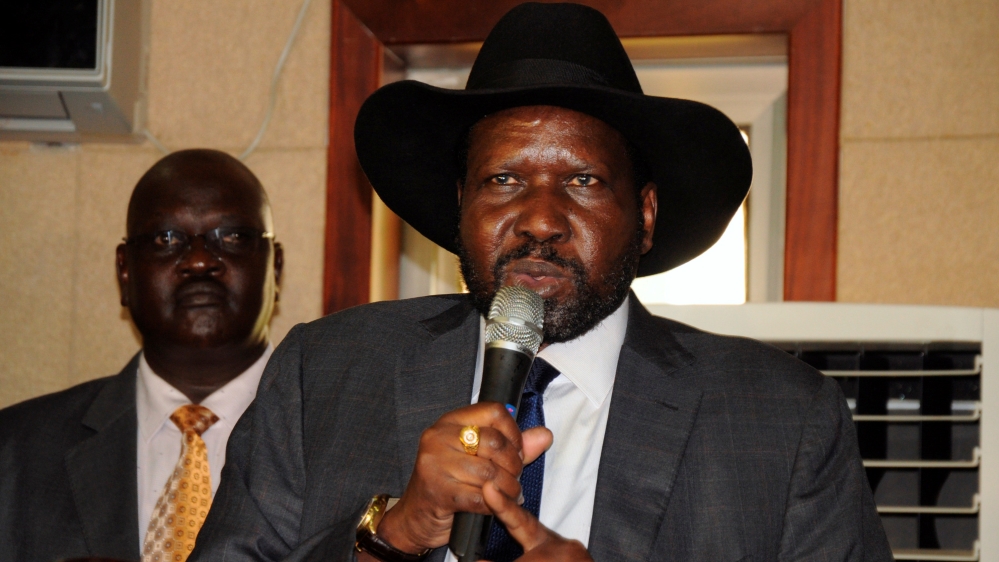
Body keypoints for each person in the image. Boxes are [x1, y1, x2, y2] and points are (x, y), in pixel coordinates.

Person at [192, 4, 892, 562]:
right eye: (503, 180)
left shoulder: (783, 418)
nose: (539, 221)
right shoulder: (328, 371)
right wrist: (394, 536)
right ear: (460, 203)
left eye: (582, 182)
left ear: (643, 215)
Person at [0, 149, 284, 562]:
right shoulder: (13, 452)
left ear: (275, 268)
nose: (201, 261)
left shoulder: (342, 442)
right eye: (166, 239)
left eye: (233, 237)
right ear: (125, 271)